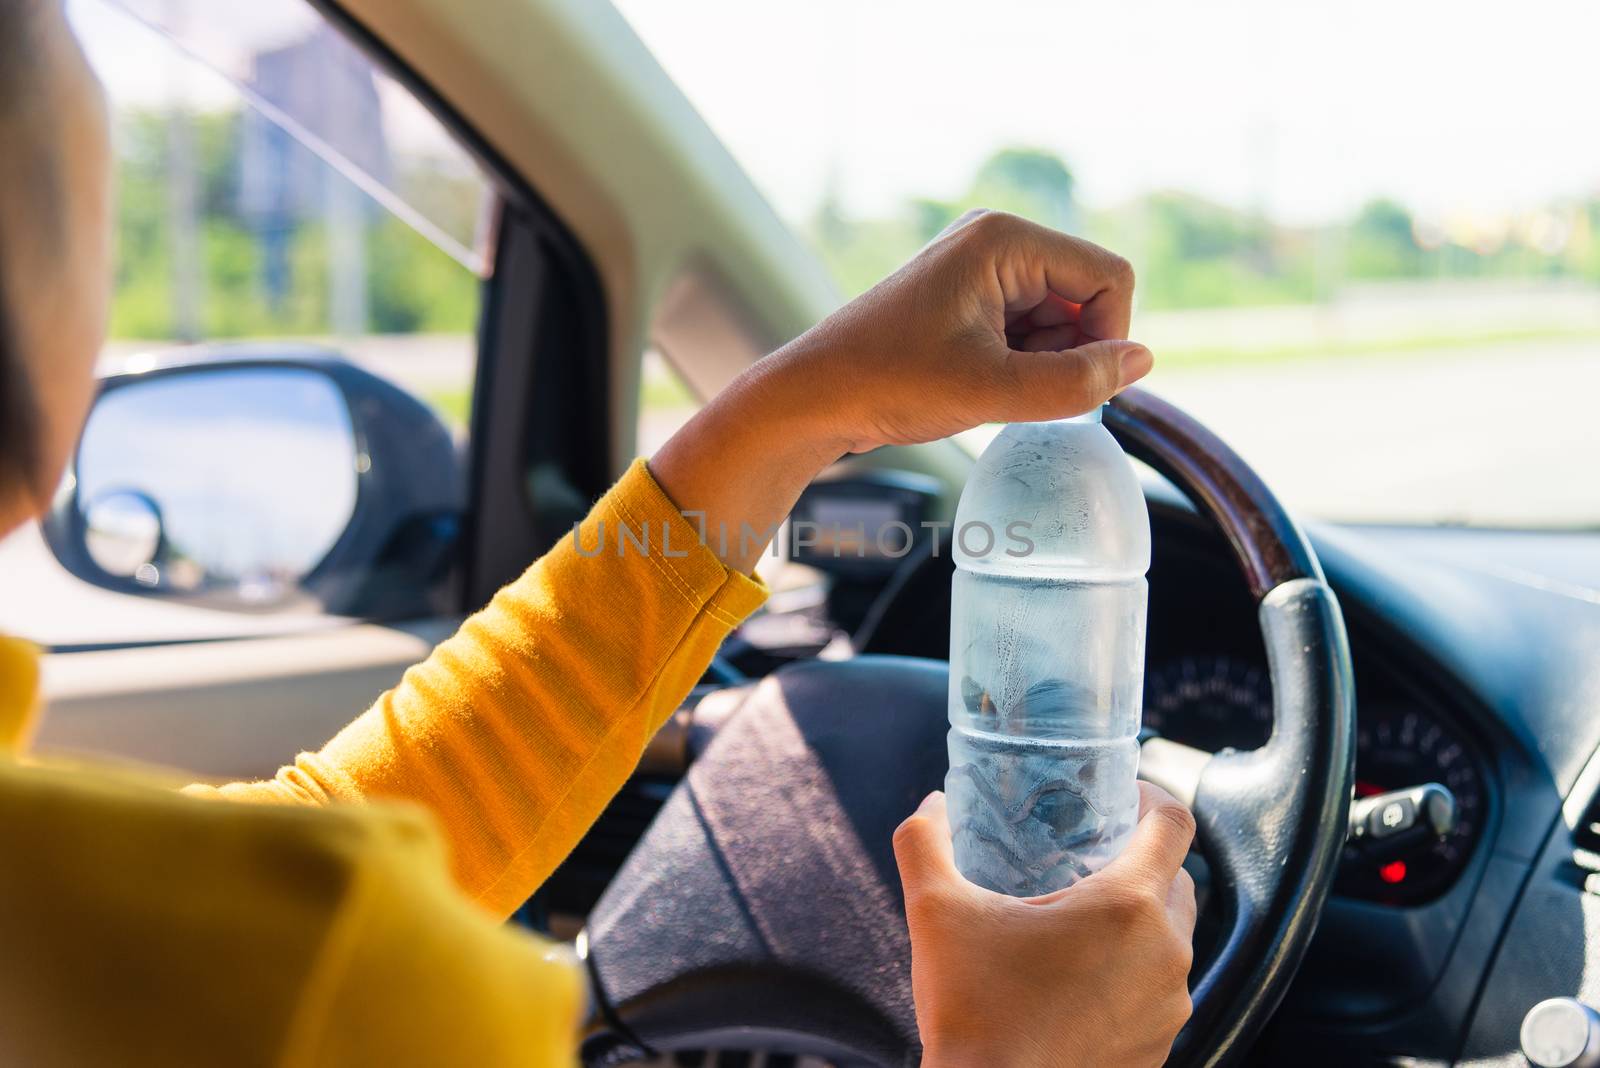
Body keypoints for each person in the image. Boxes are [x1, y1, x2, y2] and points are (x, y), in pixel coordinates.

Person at [0, 2, 1197, 1064]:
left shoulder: (147, 935)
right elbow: (303, 911)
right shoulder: (303, 977)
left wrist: (802, 405)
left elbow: (340, 842)